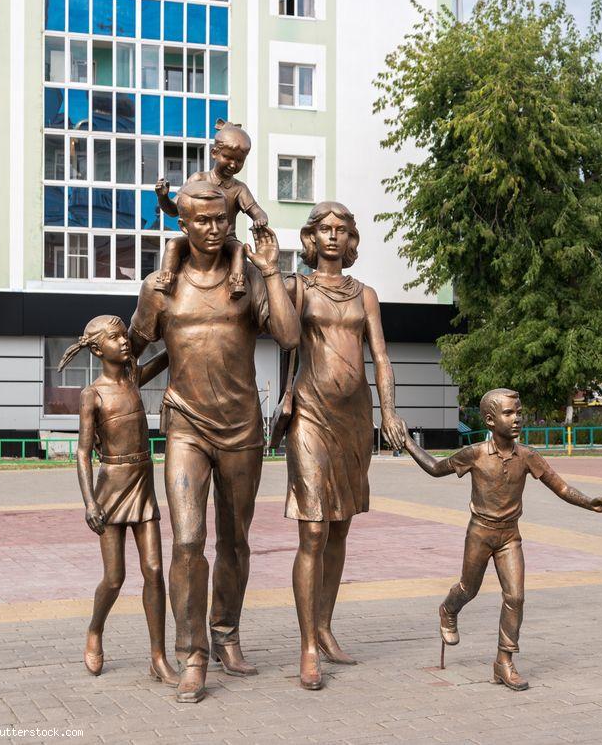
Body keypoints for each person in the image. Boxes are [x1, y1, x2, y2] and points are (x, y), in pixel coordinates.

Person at [129, 181, 299, 703]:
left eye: (222, 219)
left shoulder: (247, 276)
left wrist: (271, 270)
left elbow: (290, 337)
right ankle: (192, 653)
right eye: (202, 221)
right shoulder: (160, 285)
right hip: (185, 423)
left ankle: (225, 631)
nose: (214, 228)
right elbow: (132, 349)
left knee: (235, 540)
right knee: (186, 540)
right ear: (183, 224)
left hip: (242, 426)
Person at [403, 388, 602, 691]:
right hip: (479, 533)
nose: (517, 418)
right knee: (468, 588)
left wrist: (589, 503)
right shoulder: (475, 454)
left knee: (515, 597)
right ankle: (448, 609)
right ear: (490, 420)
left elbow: (561, 487)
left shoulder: (528, 457)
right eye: (509, 413)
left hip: (510, 537)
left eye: (519, 412)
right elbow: (435, 468)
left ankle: (504, 662)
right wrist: (408, 442)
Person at [284, 201, 408, 690]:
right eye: (325, 229)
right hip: (311, 414)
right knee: (313, 529)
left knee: (339, 529)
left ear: (351, 238)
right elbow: (283, 337)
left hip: (355, 419)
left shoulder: (367, 295)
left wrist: (390, 413)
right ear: (312, 237)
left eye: (341, 229)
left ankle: (325, 626)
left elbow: (381, 357)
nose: (333, 236)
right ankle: (307, 646)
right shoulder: (297, 287)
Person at [59, 315, 178, 686]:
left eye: (124, 334)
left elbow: (168, 357)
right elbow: (81, 454)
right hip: (110, 487)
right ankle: (95, 630)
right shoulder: (91, 395)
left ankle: (158, 657)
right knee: (114, 577)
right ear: (97, 349)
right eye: (114, 337)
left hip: (142, 481)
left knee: (155, 570)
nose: (124, 340)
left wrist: (181, 336)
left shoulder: (132, 380)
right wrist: (89, 502)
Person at [154, 120, 268, 300]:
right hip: (197, 238)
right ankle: (166, 279)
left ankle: (236, 283)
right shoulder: (198, 179)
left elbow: (256, 211)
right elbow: (174, 210)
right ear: (215, 153)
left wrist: (260, 218)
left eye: (239, 160)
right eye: (228, 158)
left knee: (239, 249)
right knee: (173, 245)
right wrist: (163, 197)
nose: (233, 164)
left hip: (227, 239)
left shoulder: (239, 189)